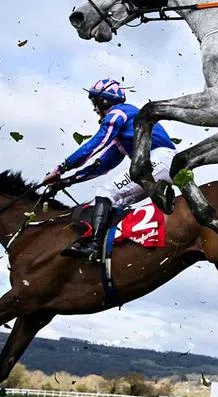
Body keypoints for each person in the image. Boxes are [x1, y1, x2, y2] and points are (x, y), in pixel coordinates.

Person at [41, 78, 176, 261]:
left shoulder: (118, 113)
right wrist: (69, 181)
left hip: (159, 159)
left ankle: (95, 247)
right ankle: (116, 248)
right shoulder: (126, 127)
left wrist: (61, 168)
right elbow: (102, 165)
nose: (94, 109)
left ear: (104, 100)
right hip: (161, 163)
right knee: (114, 201)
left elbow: (95, 145)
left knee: (106, 192)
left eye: (95, 102)